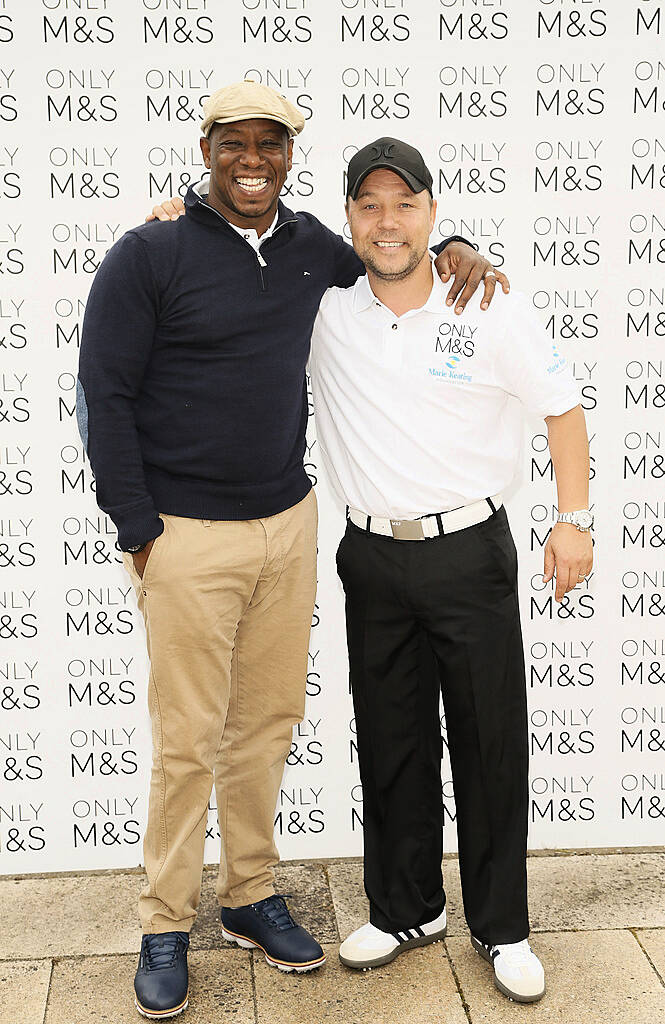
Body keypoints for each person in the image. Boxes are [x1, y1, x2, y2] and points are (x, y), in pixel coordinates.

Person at [77, 81, 501, 1020]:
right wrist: (137, 529)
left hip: (289, 524)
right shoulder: (147, 254)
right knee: (188, 740)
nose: (254, 159)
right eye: (236, 143)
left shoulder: (311, 248)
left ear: (289, 155)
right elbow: (102, 395)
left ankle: (249, 893)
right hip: (184, 536)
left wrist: (460, 247)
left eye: (271, 143)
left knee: (265, 725)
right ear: (208, 150)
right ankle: (163, 918)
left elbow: (391, 250)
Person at [303, 138, 594, 1003]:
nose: (386, 222)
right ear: (350, 218)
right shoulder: (327, 311)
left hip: (468, 551)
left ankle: (501, 928)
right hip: (370, 556)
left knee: (488, 743)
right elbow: (251, 238)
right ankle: (404, 909)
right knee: (390, 743)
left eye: (405, 204)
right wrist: (175, 212)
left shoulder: (488, 303)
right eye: (368, 206)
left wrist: (571, 521)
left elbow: (562, 407)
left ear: (433, 213)